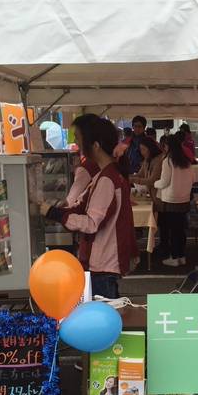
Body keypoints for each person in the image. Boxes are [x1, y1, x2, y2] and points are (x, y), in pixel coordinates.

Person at [41, 117, 139, 298]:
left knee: (103, 311)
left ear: (95, 145)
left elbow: (92, 223)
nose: (77, 143)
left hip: (103, 262)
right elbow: (82, 206)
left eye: (79, 138)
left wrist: (55, 213)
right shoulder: (107, 174)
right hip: (104, 260)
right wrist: (61, 211)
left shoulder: (107, 178)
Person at [154, 132, 195, 267]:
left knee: (172, 230)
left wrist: (155, 183)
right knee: (180, 230)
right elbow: (193, 179)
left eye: (165, 146)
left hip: (171, 201)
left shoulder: (168, 161)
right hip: (184, 199)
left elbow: (164, 182)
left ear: (168, 146)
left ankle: (174, 257)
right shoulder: (186, 161)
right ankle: (181, 256)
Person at [62, 114, 101, 207]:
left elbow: (70, 202)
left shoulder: (87, 168)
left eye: (77, 137)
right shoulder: (110, 163)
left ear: (87, 138)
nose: (75, 141)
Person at [129, 137, 164, 205]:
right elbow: (140, 175)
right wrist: (125, 176)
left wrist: (132, 180)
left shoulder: (159, 160)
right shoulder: (147, 159)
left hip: (160, 196)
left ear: (150, 148)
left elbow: (152, 180)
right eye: (141, 149)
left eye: (144, 149)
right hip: (152, 195)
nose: (142, 152)